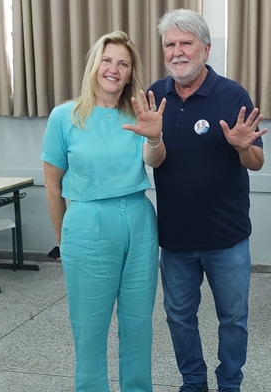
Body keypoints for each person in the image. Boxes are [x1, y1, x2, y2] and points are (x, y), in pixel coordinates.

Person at [143, 8, 267, 392]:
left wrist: (243, 147)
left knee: (233, 318)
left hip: (227, 239)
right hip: (176, 239)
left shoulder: (232, 95)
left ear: (206, 49)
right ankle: (193, 382)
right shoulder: (155, 95)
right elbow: (152, 156)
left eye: (186, 43)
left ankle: (230, 383)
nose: (177, 52)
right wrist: (152, 138)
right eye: (170, 44)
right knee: (179, 318)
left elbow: (257, 162)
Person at [41, 30, 165, 392]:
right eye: (107, 60)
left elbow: (154, 159)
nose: (114, 69)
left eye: (123, 64)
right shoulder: (65, 117)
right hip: (88, 223)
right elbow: (52, 184)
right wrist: (62, 239)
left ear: (130, 73)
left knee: (139, 323)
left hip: (140, 221)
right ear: (94, 65)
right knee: (90, 327)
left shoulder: (139, 114)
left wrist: (155, 137)